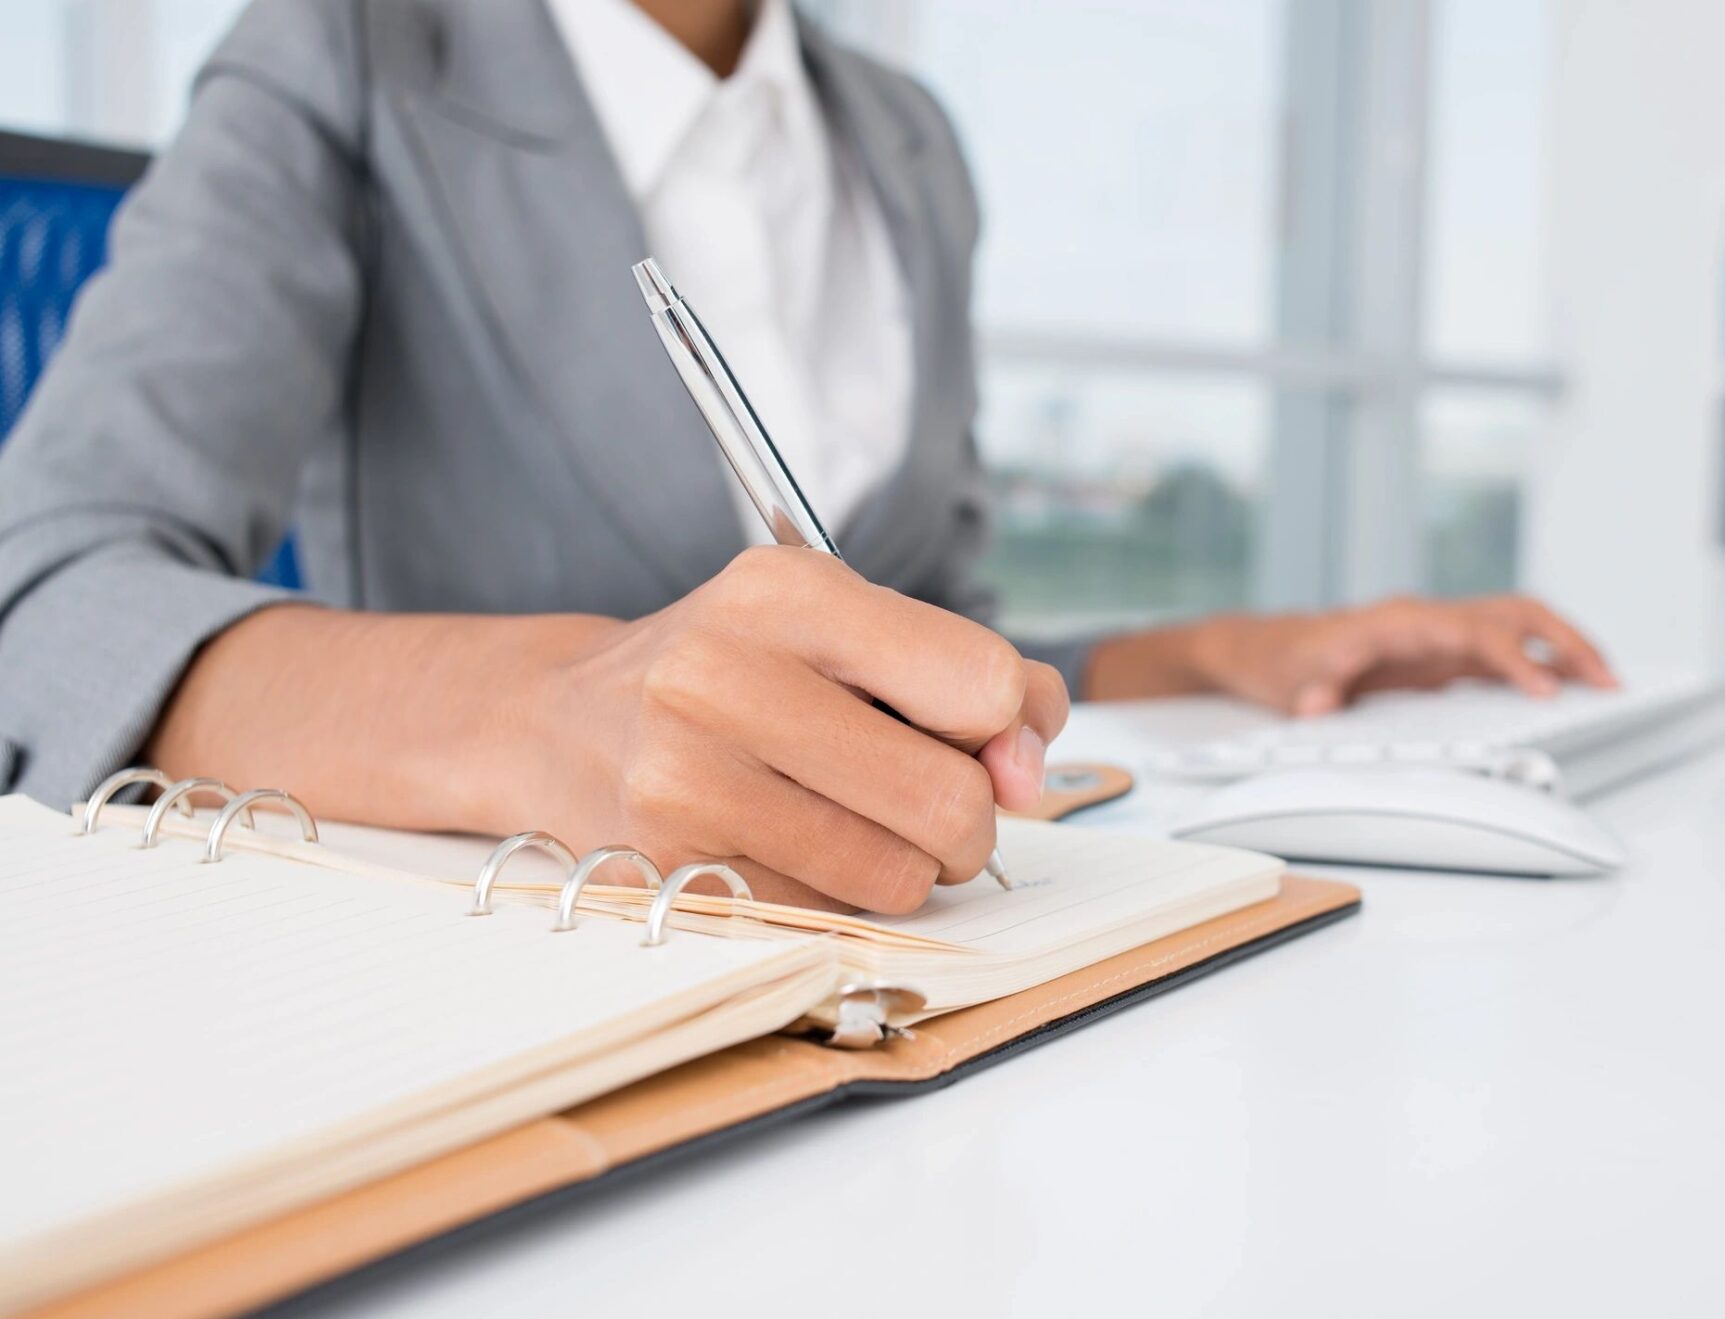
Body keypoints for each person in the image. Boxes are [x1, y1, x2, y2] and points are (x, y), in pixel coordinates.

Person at [0, 0, 1613, 913]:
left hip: (916, 1000)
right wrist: (556, 718)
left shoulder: (909, 145)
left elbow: (915, 633)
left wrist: (1223, 649)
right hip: (541, 982)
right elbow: (42, 594)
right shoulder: (346, 52)